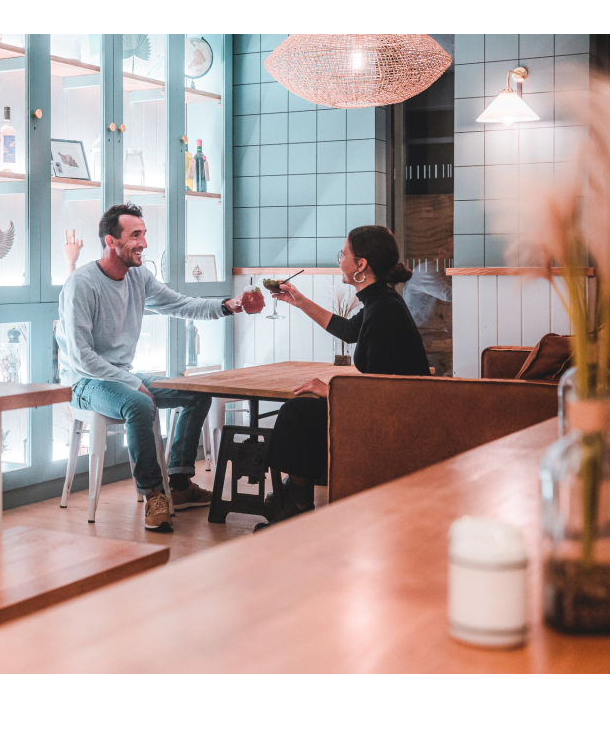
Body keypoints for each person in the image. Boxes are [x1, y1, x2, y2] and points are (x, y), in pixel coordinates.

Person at [56, 203, 248, 532]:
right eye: (135, 235)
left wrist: (228, 306)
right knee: (140, 402)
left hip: (119, 375)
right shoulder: (82, 284)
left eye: (144, 234)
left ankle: (179, 482)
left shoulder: (139, 276)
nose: (144, 242)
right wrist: (131, 382)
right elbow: (81, 357)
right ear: (111, 242)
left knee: (196, 393)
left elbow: (180, 304)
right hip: (85, 382)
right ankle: (153, 494)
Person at [260, 225, 430, 528]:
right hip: (394, 404)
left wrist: (331, 390)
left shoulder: (384, 309)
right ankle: (295, 493)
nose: (340, 260)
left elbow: (378, 385)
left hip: (397, 412)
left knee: (297, 412)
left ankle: (296, 499)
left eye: (344, 254)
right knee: (303, 409)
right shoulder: (380, 302)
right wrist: (299, 300)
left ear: (361, 265)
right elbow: (349, 331)